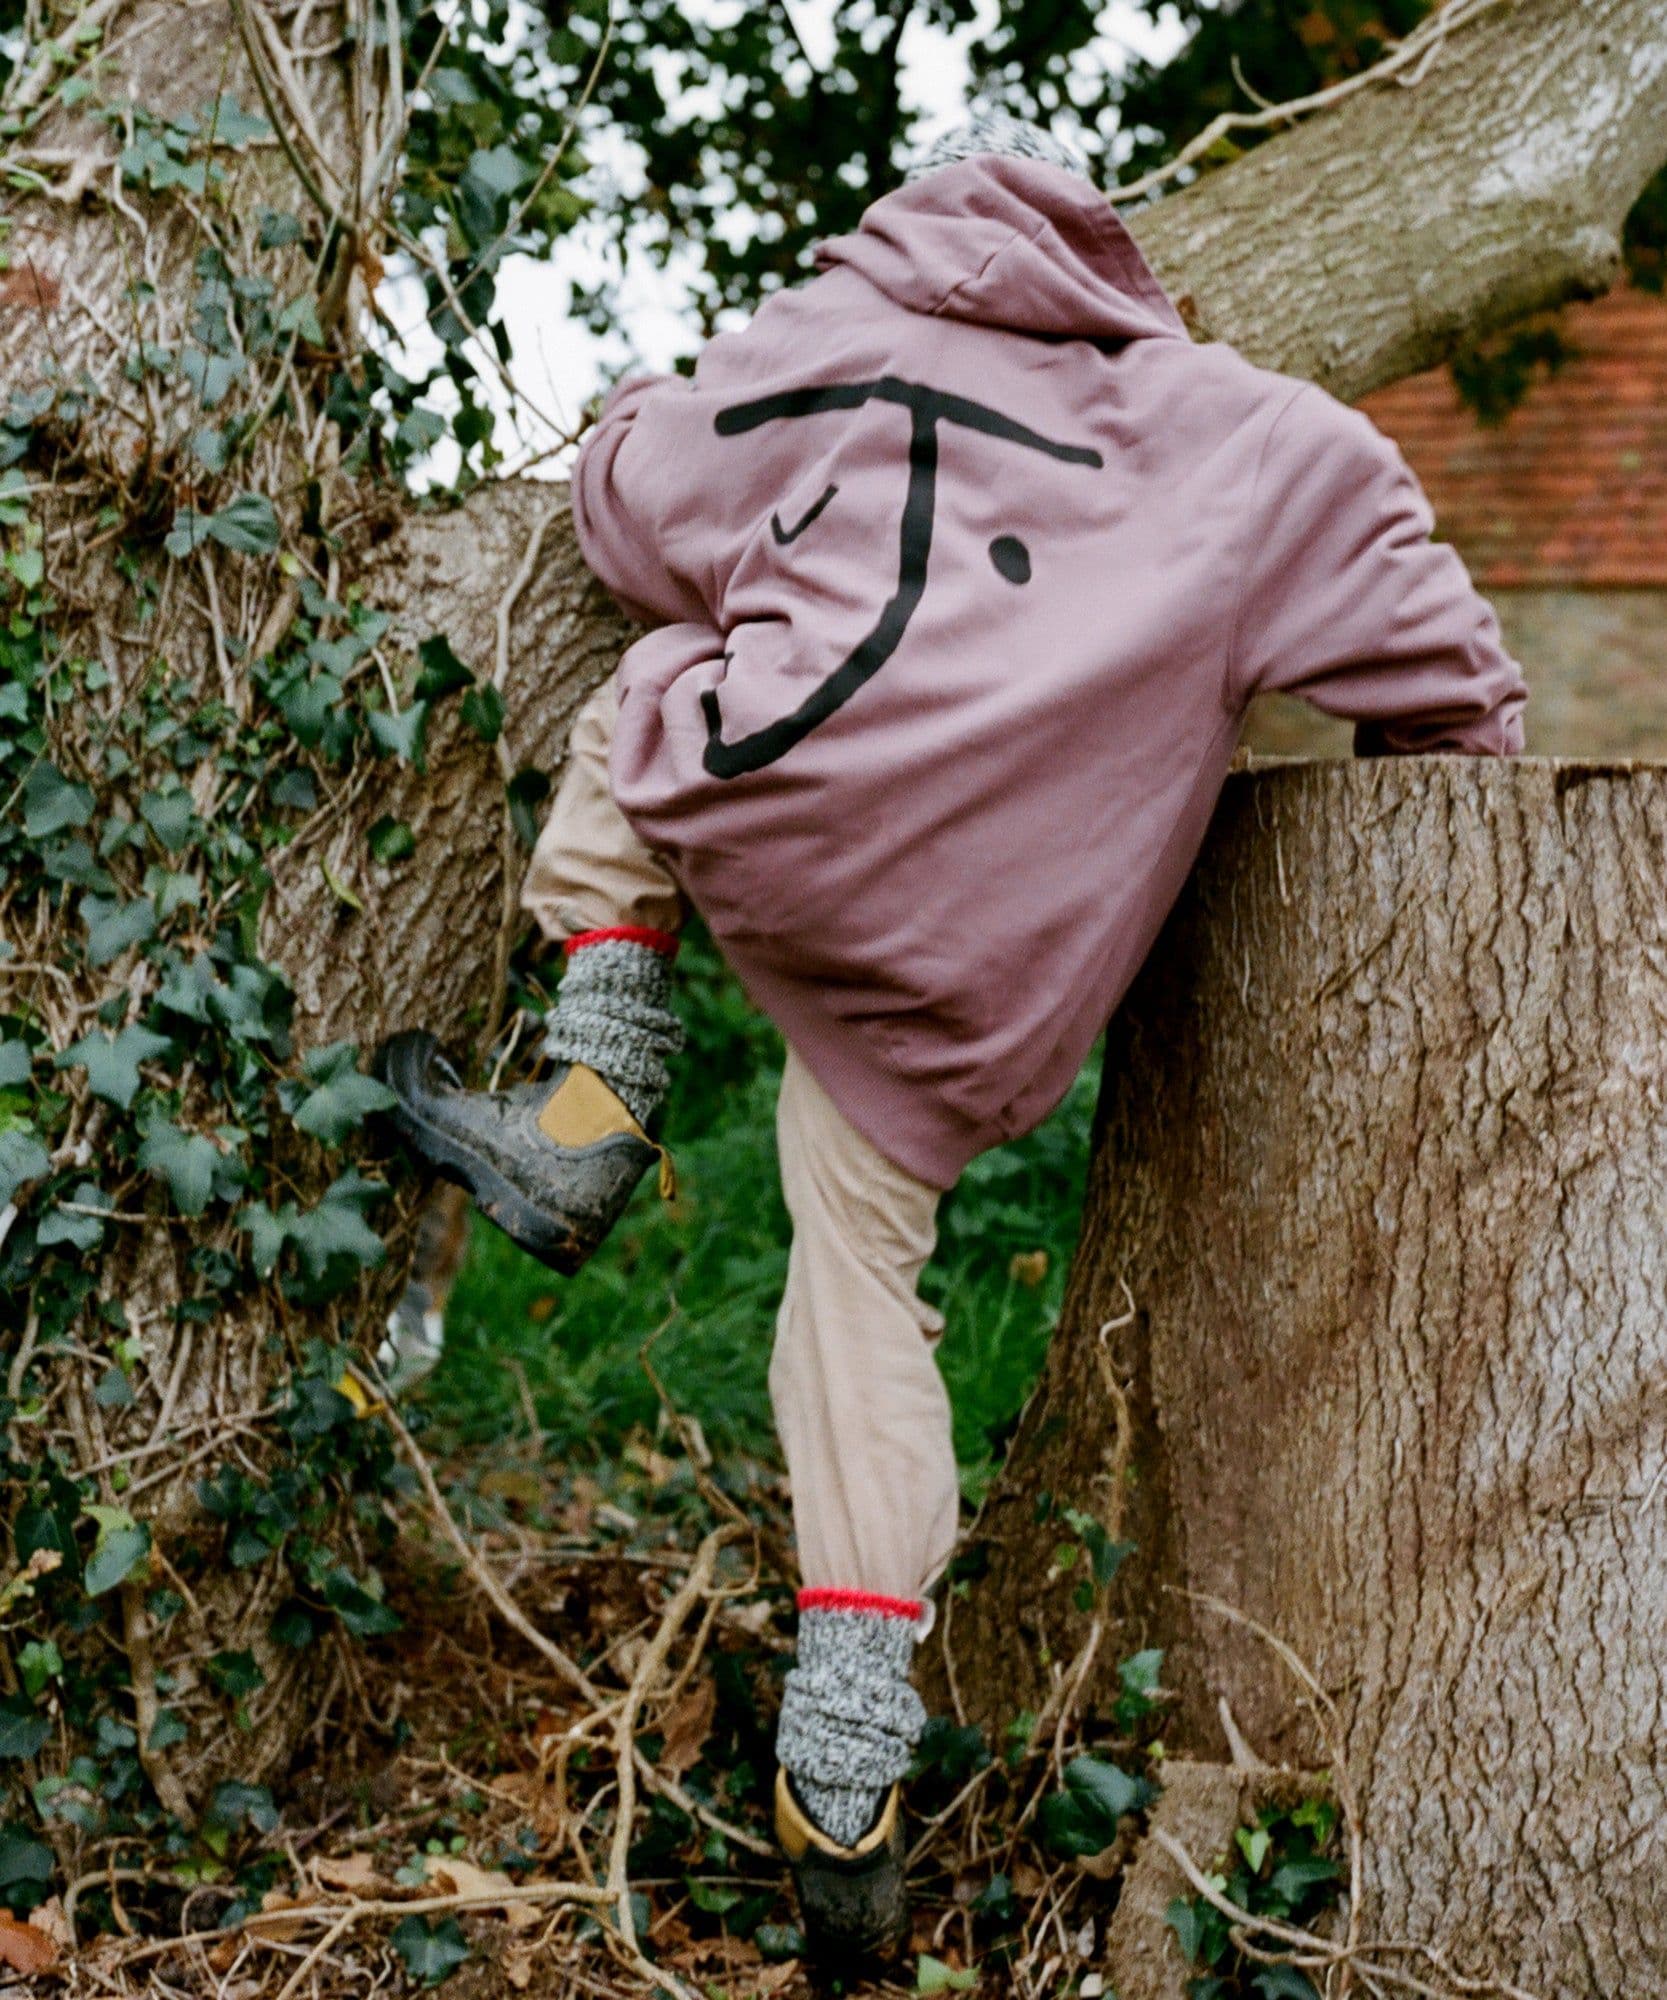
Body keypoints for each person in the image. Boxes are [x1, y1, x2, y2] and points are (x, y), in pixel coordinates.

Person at [376, 109, 1527, 1964]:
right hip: (981, 974)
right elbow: (1462, 689)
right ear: (1116, 264)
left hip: (775, 825)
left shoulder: (831, 332)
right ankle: (846, 1755)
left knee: (647, 687)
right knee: (859, 1284)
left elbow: (633, 502)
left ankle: (595, 1088)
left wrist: (642, 405)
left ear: (919, 224)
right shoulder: (1263, 445)